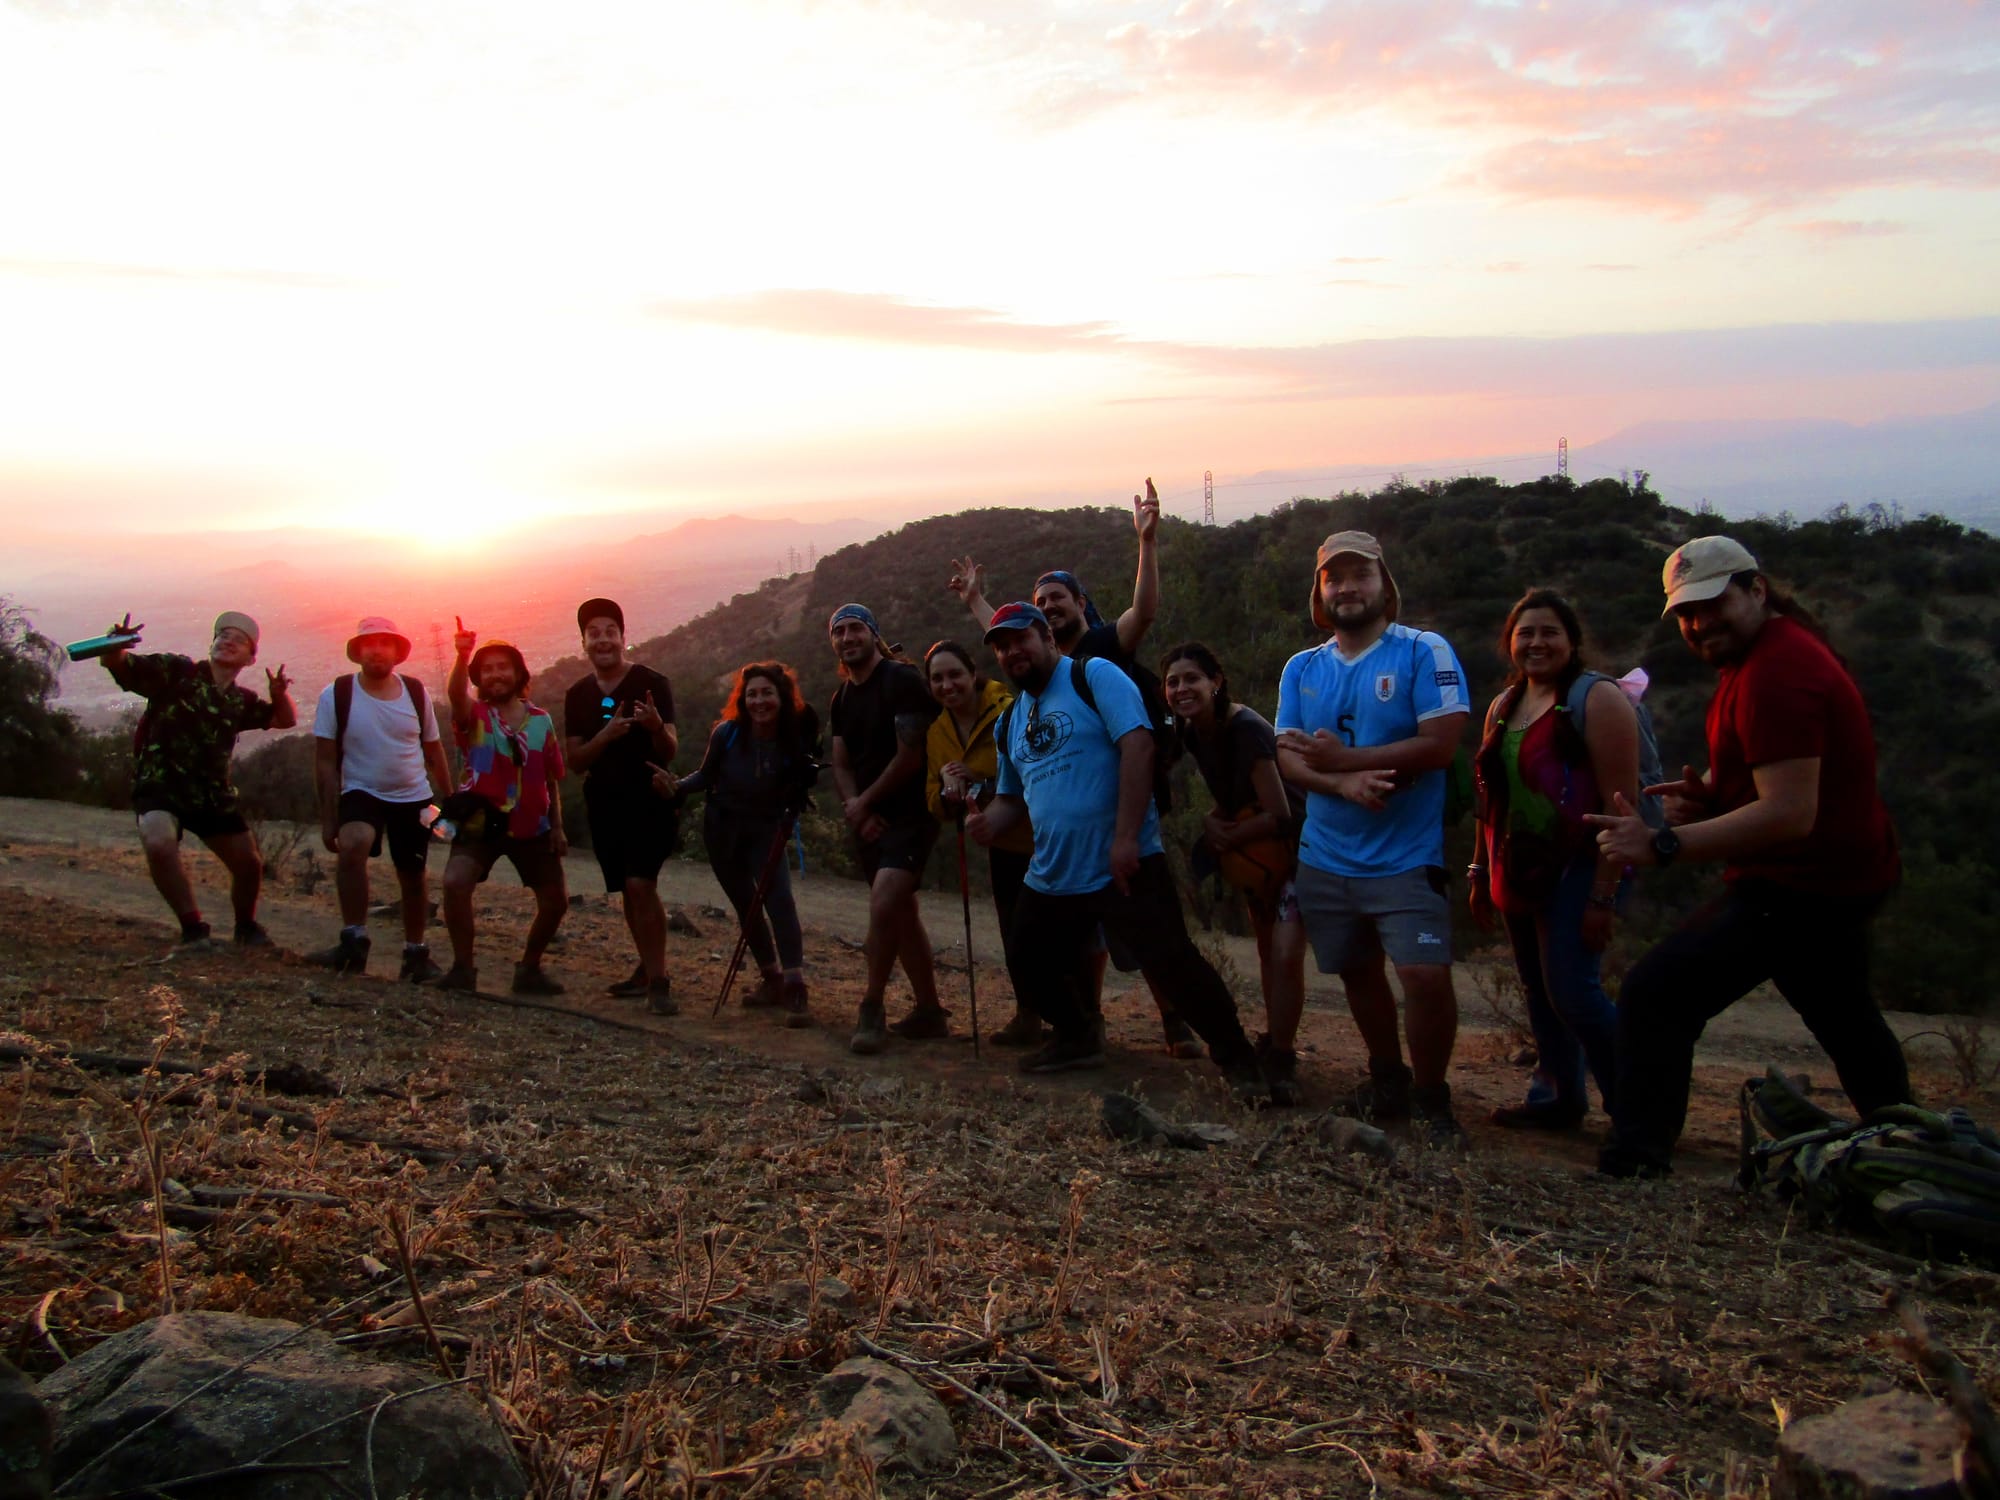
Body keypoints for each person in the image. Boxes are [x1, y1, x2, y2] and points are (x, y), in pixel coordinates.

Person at [1587, 536, 1911, 1178]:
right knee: (1842, 1014)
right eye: (1686, 613)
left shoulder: (1779, 673)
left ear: (1755, 589)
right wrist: (1714, 795)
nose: (1700, 623)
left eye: (1713, 604)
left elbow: (1790, 813)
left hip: (1802, 885)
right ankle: (1909, 1141)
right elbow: (1777, 773)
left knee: (1659, 993)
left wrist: (1664, 844)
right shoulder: (1770, 653)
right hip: (1841, 873)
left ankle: (1637, 1158)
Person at [969, 603, 1268, 1097]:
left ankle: (1239, 1059)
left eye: (1021, 639)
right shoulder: (1010, 722)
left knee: (1172, 962)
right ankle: (1077, 1036)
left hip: (1122, 861)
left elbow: (1139, 746)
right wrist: (984, 824)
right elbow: (1009, 801)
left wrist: (1126, 837)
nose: (1011, 652)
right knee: (1028, 960)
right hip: (1052, 872)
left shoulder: (1093, 675)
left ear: (1047, 638)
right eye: (1001, 646)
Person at [947, 480, 1201, 1057]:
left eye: (1058, 598)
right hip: (1074, 835)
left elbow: (1146, 610)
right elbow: (1011, 638)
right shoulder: (1037, 673)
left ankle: (1176, 1021)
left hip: (1131, 815)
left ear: (1081, 605)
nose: (1049, 606)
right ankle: (1088, 1025)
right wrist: (974, 604)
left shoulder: (1106, 649)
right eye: (1041, 602)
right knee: (1087, 938)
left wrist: (1147, 544)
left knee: (1147, 934)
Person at [1275, 531, 1472, 1144]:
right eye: (1334, 578)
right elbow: (1286, 754)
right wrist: (1343, 784)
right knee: (1358, 972)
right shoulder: (1302, 667)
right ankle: (1387, 1077)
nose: (1347, 587)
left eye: (1360, 575)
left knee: (1424, 976)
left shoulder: (1421, 650)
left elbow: (1440, 745)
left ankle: (1431, 1097)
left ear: (1384, 585)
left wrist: (1346, 760)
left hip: (1407, 857)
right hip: (1326, 855)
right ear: (1320, 592)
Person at [1468, 591, 1639, 1130]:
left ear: (1572, 641)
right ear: (1510, 642)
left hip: (1583, 865)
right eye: (1526, 633)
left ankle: (1638, 1109)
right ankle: (1559, 1099)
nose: (1537, 643)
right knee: (1539, 989)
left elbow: (1622, 805)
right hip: (1517, 864)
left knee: (1572, 989)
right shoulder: (1504, 706)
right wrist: (1478, 870)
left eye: (1549, 633)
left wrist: (1603, 896)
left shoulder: (1597, 699)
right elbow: (1488, 800)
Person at [1161, 642, 1310, 1104]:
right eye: (1173, 682)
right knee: (1268, 950)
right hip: (1256, 848)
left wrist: (1227, 837)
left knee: (1285, 952)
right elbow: (1229, 795)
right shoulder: (1194, 732)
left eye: (1191, 679)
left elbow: (1282, 812)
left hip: (1295, 849)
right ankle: (1275, 1040)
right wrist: (1212, 820)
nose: (1182, 688)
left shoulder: (1244, 730)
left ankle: (1282, 1059)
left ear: (1216, 682)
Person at [99, 610, 295, 946]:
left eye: (240, 640)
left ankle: (246, 927)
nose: (229, 641)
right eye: (223, 635)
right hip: (161, 784)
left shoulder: (239, 701)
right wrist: (116, 645)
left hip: (211, 794)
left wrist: (278, 693)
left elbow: (284, 719)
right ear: (212, 643)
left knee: (249, 865)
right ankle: (193, 928)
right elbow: (119, 665)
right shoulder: (176, 672)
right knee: (159, 843)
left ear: (251, 658)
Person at [654, 661, 817, 1026]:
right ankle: (771, 978)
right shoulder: (727, 733)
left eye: (767, 693)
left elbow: (803, 780)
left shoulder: (794, 737)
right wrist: (677, 786)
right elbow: (706, 775)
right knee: (746, 905)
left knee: (779, 901)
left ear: (782, 697)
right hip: (723, 830)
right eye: (752, 694)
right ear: (743, 699)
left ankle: (794, 984)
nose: (759, 701)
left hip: (766, 830)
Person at [826, 603, 945, 1054]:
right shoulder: (841, 698)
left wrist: (865, 802)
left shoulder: (901, 681)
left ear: (874, 634)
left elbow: (910, 755)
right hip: (870, 819)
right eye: (839, 631)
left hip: (912, 813)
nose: (847, 637)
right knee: (900, 910)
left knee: (884, 901)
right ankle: (930, 1012)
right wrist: (856, 808)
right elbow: (840, 762)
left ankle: (871, 1007)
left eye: (856, 628)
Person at [308, 617, 454, 980]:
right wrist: (329, 818)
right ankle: (353, 941)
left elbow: (434, 751)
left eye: (384, 643)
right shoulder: (337, 694)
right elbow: (325, 761)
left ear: (397, 651)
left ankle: (415, 954)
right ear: (357, 652)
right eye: (368, 643)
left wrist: (451, 803)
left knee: (413, 874)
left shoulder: (415, 692)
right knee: (354, 844)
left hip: (414, 795)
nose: (376, 649)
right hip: (361, 790)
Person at [437, 620, 570, 997]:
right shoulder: (475, 716)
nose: (496, 674)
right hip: (480, 820)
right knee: (454, 882)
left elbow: (551, 778)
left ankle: (528, 968)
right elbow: (455, 696)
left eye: (503, 667)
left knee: (555, 901)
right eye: (487, 669)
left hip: (532, 824)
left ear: (518, 673)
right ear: (479, 677)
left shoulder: (541, 721)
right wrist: (462, 656)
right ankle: (463, 968)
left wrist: (557, 826)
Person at [923, 639, 1045, 1047]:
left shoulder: (1008, 708)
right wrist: (946, 794)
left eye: (954, 674)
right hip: (1001, 844)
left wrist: (977, 781)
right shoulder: (937, 731)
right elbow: (934, 798)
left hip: (1042, 837)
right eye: (937, 679)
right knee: (1013, 931)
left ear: (973, 673)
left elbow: (1032, 770)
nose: (947, 685)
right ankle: (1028, 1015)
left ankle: (1076, 1020)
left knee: (1051, 931)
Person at [562, 598, 678, 1012]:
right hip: (605, 805)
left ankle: (660, 981)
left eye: (610, 630)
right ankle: (648, 968)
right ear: (584, 642)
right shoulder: (577, 695)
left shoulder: (652, 683)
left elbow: (670, 749)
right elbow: (574, 762)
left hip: (648, 800)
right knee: (629, 890)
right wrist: (605, 738)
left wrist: (654, 727)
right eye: (594, 632)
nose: (603, 639)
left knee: (640, 884)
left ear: (623, 637)